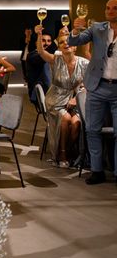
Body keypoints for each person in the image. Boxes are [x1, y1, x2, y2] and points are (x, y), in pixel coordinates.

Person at [68, 0, 117, 185]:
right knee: (92, 130)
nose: (110, 11)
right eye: (107, 8)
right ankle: (97, 170)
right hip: (97, 87)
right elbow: (76, 40)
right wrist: (74, 29)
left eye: (114, 8)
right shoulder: (97, 28)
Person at [36, 28, 88, 166]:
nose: (66, 44)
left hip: (75, 99)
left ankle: (68, 151)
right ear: (59, 46)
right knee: (65, 119)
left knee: (76, 123)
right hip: (56, 99)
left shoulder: (84, 63)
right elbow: (41, 51)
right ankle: (63, 154)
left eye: (69, 41)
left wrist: (77, 98)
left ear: (75, 46)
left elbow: (90, 84)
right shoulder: (55, 60)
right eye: (62, 42)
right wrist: (39, 35)